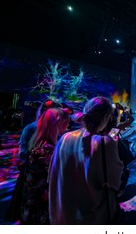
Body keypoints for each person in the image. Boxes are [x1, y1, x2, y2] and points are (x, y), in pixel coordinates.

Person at [49, 96, 124, 224]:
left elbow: (52, 174)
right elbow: (115, 181)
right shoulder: (104, 142)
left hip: (62, 215)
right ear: (106, 117)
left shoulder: (65, 138)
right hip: (91, 217)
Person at [20, 107, 70, 224]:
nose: (67, 127)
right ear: (56, 124)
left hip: (31, 198)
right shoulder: (47, 150)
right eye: (65, 124)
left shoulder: (38, 142)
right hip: (42, 203)